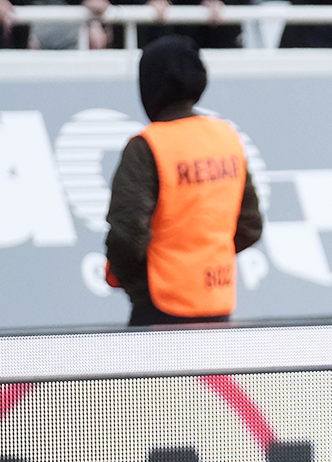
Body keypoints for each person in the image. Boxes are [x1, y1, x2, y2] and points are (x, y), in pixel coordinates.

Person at [105, 35, 264, 328]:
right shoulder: (226, 137)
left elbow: (127, 235)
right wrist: (206, 261)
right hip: (218, 302)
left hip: (160, 307)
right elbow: (250, 225)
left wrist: (137, 284)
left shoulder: (147, 145)